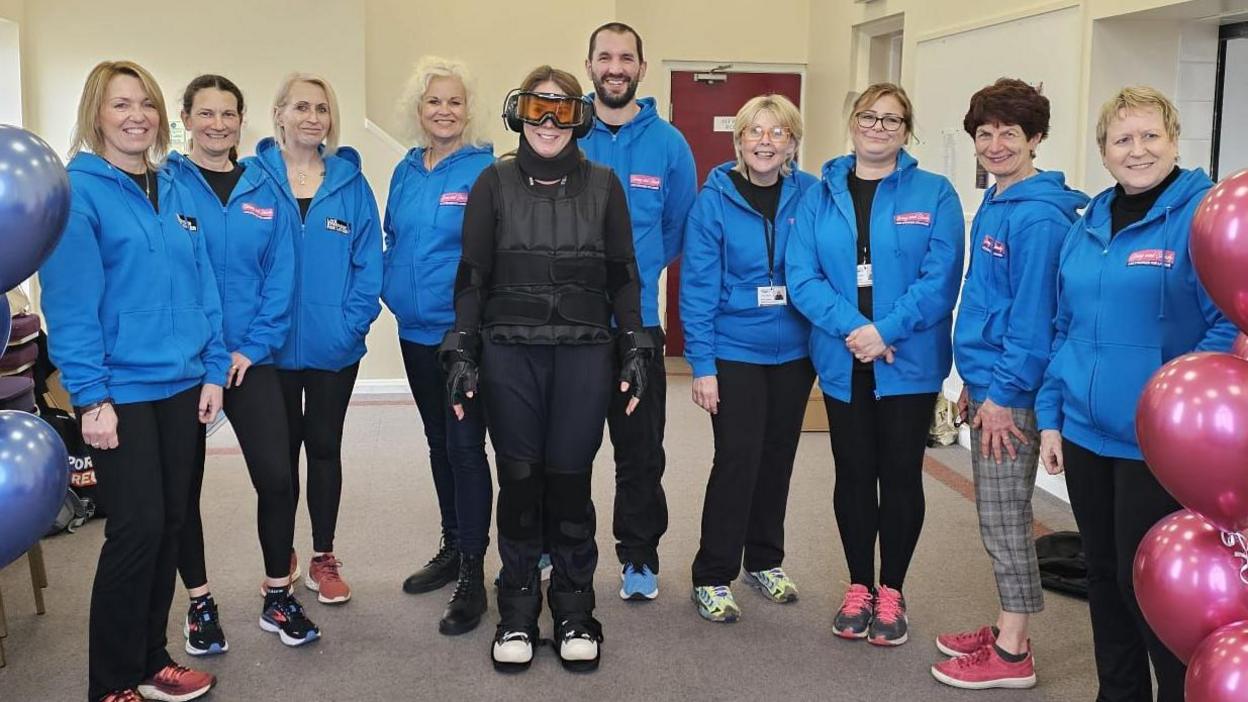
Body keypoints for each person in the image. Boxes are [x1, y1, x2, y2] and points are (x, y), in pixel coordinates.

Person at [445, 65, 650, 672]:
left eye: (563, 109)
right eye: (539, 108)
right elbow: (472, 276)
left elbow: (623, 274)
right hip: (511, 352)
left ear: (579, 117)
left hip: (585, 354)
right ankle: (514, 610)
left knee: (569, 480)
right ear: (519, 113)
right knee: (520, 479)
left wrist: (636, 343)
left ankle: (574, 607)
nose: (550, 122)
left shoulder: (607, 185)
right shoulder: (493, 183)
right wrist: (462, 349)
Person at [1036, 86, 1237, 702]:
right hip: (1087, 431)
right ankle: (1117, 694)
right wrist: (1051, 415)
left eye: (1151, 136)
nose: (1138, 149)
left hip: (1163, 443)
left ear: (1176, 141)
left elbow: (1226, 323)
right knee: (1102, 575)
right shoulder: (1088, 221)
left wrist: (1176, 410)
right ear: (1104, 150)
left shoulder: (1199, 214)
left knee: (1152, 586)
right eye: (1123, 138)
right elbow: (1065, 326)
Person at [40, 59, 228, 702]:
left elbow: (206, 284)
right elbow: (69, 303)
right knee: (137, 529)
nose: (136, 116)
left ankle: (152, 659)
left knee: (173, 524)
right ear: (98, 114)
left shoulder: (174, 187)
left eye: (145, 103)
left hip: (183, 385)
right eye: (121, 104)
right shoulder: (78, 191)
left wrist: (213, 369)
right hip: (120, 392)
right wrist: (90, 396)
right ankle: (112, 681)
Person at [787, 82, 965, 647]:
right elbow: (802, 277)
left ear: (906, 130)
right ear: (853, 122)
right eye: (869, 116)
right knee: (855, 475)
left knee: (901, 475)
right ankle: (858, 584)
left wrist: (883, 331)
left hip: (908, 360)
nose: (879, 127)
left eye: (892, 120)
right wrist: (854, 331)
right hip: (843, 361)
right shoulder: (819, 195)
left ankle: (893, 590)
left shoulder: (935, 193)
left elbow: (940, 281)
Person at [931, 78, 1087, 690]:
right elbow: (986, 301)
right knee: (1000, 516)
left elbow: (1032, 323)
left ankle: (1014, 651)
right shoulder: (1000, 200)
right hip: (991, 382)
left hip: (1014, 395)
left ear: (1036, 139)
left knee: (1003, 519)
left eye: (1010, 134)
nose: (995, 145)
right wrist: (973, 379)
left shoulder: (1040, 218)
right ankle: (1005, 625)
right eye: (985, 133)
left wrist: (1001, 394)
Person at [168, 74, 320, 653]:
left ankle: (278, 594)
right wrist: (206, 352)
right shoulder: (168, 185)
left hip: (253, 359)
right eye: (205, 113)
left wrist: (250, 348)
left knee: (279, 479)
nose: (218, 124)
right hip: (185, 362)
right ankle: (200, 602)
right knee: (183, 488)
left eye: (228, 114)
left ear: (242, 120)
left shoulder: (265, 187)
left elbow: (281, 278)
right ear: (186, 117)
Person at [681, 94, 817, 623]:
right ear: (738, 141)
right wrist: (703, 365)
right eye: (755, 132)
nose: (765, 141)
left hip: (795, 352)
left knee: (778, 457)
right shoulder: (713, 201)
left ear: (792, 144)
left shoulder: (809, 194)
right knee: (737, 459)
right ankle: (713, 573)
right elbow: (695, 287)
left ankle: (764, 559)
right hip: (735, 348)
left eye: (777, 132)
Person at [252, 73, 383, 605]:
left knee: (324, 448)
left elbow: (368, 263)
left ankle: (323, 556)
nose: (312, 117)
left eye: (322, 108)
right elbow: (241, 260)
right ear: (279, 113)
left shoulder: (351, 184)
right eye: (301, 106)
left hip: (335, 348)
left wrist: (350, 323)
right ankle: (279, 555)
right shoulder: (253, 180)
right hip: (271, 348)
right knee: (278, 459)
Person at [581, 21, 697, 601]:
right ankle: (562, 547)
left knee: (641, 451)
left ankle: (640, 557)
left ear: (642, 69)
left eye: (626, 57)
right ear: (590, 65)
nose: (615, 67)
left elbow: (679, 226)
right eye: (605, 56)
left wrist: (640, 269)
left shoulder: (670, 144)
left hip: (640, 327)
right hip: (570, 326)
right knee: (567, 449)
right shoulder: (565, 129)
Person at [383, 56, 494, 635]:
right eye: (433, 102)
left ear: (467, 109)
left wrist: (470, 332)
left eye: (454, 101)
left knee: (465, 446)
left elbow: (491, 258)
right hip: (412, 332)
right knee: (436, 441)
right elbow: (393, 235)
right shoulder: (406, 170)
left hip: (461, 339)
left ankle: (474, 571)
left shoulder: (484, 171)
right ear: (418, 110)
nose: (443, 111)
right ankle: (452, 546)